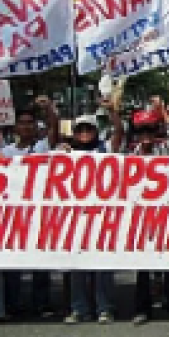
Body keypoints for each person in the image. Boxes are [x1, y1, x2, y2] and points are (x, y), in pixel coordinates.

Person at [63, 101, 123, 325]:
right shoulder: (66, 154)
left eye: (89, 129)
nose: (85, 133)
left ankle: (104, 308)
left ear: (96, 131)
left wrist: (112, 111)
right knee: (77, 266)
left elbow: (119, 133)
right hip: (74, 219)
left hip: (102, 218)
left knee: (102, 266)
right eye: (80, 130)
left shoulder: (104, 150)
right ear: (75, 133)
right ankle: (79, 309)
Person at [0, 99, 58, 320]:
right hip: (13, 215)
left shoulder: (42, 147)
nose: (26, 126)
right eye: (22, 123)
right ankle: (13, 304)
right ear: (15, 127)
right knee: (12, 262)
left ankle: (41, 304)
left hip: (38, 214)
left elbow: (53, 128)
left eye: (30, 123)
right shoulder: (5, 153)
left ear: (35, 126)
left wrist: (49, 109)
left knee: (40, 261)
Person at [128, 108, 169, 325]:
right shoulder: (130, 155)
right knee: (143, 266)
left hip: (167, 213)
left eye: (150, 129)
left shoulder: (165, 148)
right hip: (141, 216)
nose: (146, 134)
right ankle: (142, 309)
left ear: (157, 130)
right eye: (141, 130)